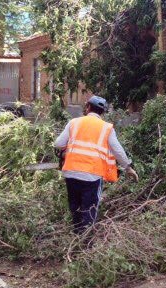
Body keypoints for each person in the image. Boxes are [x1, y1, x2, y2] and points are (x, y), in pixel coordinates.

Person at [54, 95, 138, 234]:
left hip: (71, 172)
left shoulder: (74, 122)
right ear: (102, 112)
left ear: (87, 107)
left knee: (75, 207)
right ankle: (85, 240)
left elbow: (58, 143)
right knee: (89, 209)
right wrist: (128, 168)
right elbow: (118, 150)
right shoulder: (106, 128)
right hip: (92, 175)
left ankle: (77, 235)